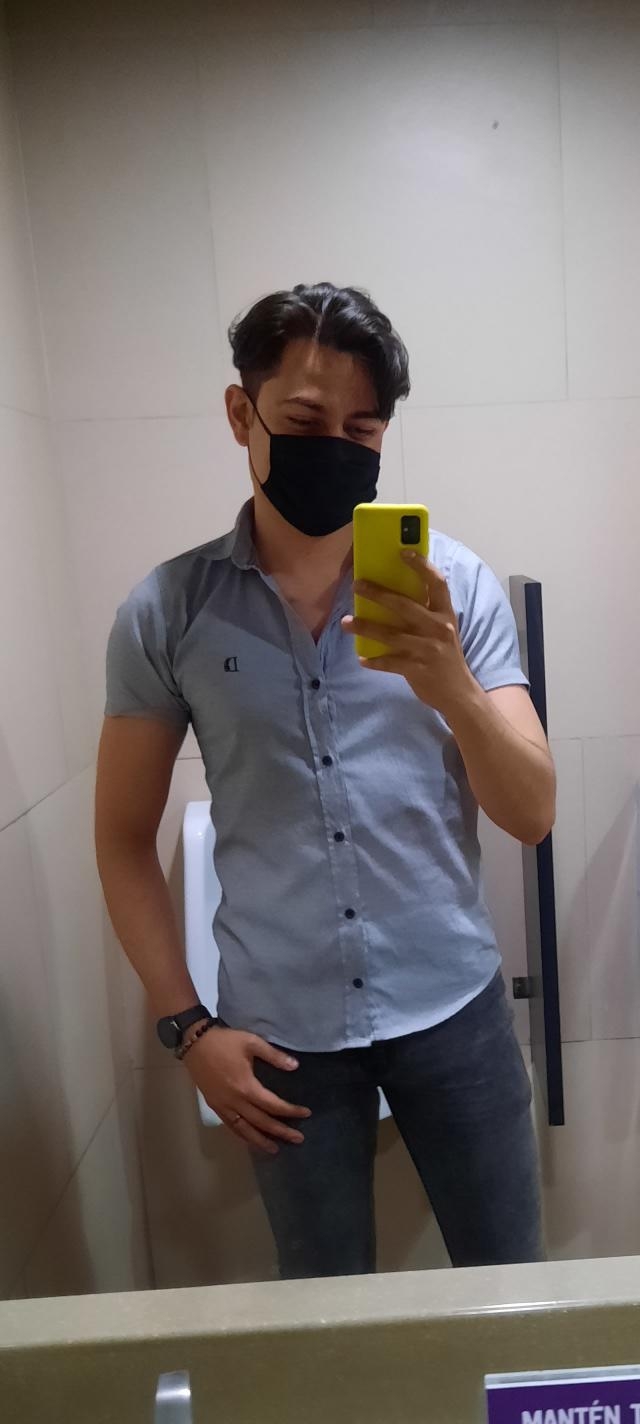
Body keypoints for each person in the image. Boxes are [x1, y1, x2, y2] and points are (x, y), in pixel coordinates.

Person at [95, 282, 555, 1280]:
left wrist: (450, 683)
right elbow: (123, 838)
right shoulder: (167, 611)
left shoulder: (455, 588)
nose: (335, 448)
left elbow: (531, 812)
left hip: (455, 1012)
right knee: (322, 1313)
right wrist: (188, 1028)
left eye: (362, 429)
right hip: (279, 1038)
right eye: (304, 422)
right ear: (241, 413)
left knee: (509, 1292)